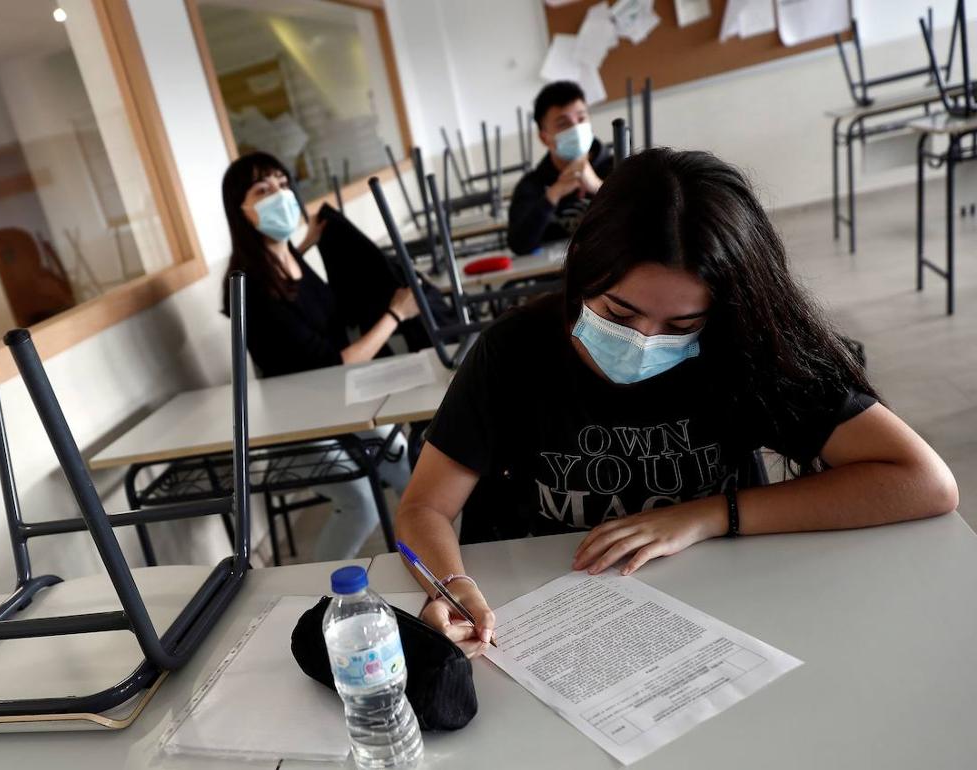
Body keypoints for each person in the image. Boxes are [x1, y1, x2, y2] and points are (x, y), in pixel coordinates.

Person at [396, 148, 958, 657]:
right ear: (581, 270)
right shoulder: (514, 352)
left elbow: (923, 481)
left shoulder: (742, 346)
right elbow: (424, 508)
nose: (643, 340)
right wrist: (453, 586)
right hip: (551, 620)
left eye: (682, 324)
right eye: (619, 314)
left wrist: (710, 515)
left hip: (726, 615)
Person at [220, 151, 417, 560]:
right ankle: (319, 596)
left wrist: (306, 246)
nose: (279, 193)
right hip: (297, 422)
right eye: (262, 189)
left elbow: (310, 310)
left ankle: (429, 560)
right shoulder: (248, 284)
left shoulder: (288, 257)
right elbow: (333, 360)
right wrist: (396, 313)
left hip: (334, 402)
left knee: (403, 461)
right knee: (360, 505)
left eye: (282, 183)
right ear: (242, 211)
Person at [507, 81, 614, 256]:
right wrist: (553, 194)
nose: (576, 128)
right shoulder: (531, 185)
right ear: (545, 138)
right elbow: (519, 245)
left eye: (581, 118)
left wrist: (598, 187)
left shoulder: (617, 166)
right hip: (558, 278)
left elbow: (644, 221)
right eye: (563, 124)